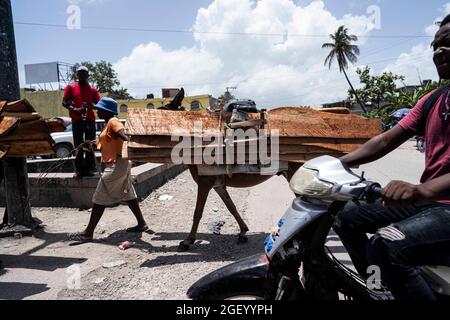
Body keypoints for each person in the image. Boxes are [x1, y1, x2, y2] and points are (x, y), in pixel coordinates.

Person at [333, 15, 450, 300]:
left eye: (447, 43)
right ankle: (379, 290)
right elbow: (386, 138)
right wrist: (339, 163)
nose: (437, 51)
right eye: (434, 45)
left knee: (386, 245)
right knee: (343, 215)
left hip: (441, 205)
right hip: (432, 205)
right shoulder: (433, 98)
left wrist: (422, 190)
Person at [69, 98, 149, 243]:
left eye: (99, 109)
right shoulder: (107, 126)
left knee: (100, 196)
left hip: (117, 164)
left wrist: (129, 141)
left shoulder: (113, 121)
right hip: (122, 163)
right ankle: (142, 224)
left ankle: (88, 233)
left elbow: (122, 134)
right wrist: (90, 145)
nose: (97, 111)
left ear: (106, 110)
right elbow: (106, 144)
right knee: (128, 194)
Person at [62, 66, 101, 178]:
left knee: (89, 145)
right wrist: (75, 110)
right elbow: (65, 102)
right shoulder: (71, 87)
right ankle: (79, 170)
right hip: (77, 120)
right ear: (77, 75)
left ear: (88, 75)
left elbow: (99, 105)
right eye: (80, 73)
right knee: (78, 145)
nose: (82, 75)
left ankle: (89, 169)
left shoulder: (93, 90)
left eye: (84, 73)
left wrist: (91, 106)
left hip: (89, 120)